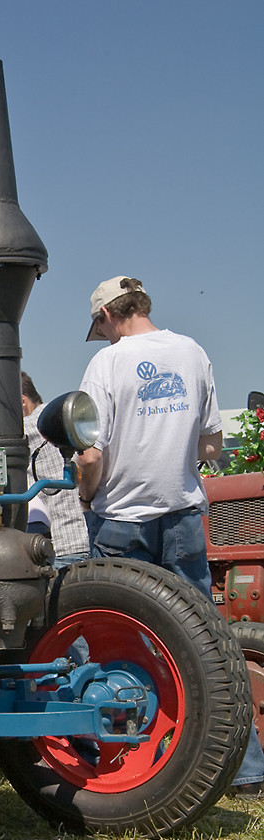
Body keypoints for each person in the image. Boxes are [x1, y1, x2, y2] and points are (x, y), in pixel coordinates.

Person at [76, 275, 264, 798]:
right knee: (207, 640)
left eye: (100, 326)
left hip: (120, 520)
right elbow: (210, 446)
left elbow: (91, 454)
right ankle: (247, 769)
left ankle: (99, 757)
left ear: (109, 314)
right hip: (181, 515)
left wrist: (87, 496)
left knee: (108, 638)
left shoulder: (107, 365)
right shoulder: (192, 352)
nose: (104, 335)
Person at [21, 371, 90, 568]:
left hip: (61, 543)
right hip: (85, 534)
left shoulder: (27, 428)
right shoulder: (66, 420)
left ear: (22, 402)